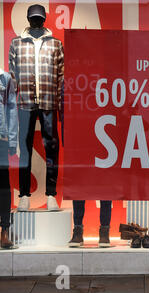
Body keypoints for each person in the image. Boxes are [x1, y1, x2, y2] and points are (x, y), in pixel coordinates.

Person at [9, 4, 64, 211]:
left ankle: (51, 194)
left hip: (49, 102)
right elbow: (13, 77)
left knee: (52, 148)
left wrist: (59, 100)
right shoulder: (16, 44)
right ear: (28, 19)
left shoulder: (56, 45)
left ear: (44, 19)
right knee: (25, 149)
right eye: (33, 19)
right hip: (24, 102)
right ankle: (24, 194)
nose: (36, 22)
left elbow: (61, 76)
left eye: (39, 19)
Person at [0, 69, 17, 249]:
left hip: (1, 137)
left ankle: (4, 229)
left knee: (3, 186)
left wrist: (12, 139)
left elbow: (12, 109)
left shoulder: (4, 78)